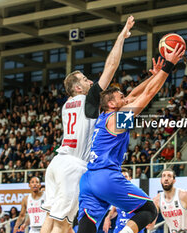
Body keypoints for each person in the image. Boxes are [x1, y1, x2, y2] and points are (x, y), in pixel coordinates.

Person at [41, 16, 135, 233]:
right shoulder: (88, 100)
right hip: (73, 166)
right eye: (84, 80)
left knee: (50, 216)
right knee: (62, 224)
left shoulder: (67, 105)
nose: (90, 81)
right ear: (78, 89)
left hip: (56, 163)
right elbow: (110, 67)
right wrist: (121, 36)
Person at [78, 44, 185, 233]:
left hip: (88, 179)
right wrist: (169, 66)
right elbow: (148, 94)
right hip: (106, 177)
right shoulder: (119, 119)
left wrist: (154, 76)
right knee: (149, 209)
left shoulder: (103, 118)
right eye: (121, 97)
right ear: (112, 104)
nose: (126, 98)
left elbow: (135, 94)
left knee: (88, 221)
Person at [102, 168, 144, 233]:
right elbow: (114, 210)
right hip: (119, 228)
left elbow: (146, 212)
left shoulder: (138, 194)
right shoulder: (117, 195)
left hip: (133, 229)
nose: (123, 179)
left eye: (125, 176)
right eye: (121, 177)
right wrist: (108, 218)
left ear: (130, 178)